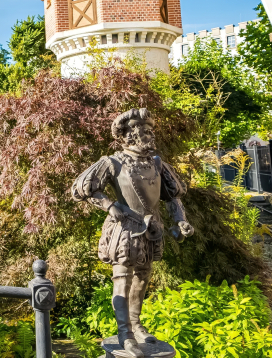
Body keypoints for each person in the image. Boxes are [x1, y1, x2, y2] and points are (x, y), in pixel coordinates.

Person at [72, 108, 194, 358]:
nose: (151, 135)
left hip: (152, 229)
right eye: (146, 131)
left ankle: (136, 325)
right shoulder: (113, 163)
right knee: (122, 280)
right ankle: (124, 333)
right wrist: (109, 205)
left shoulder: (157, 164)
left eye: (151, 130)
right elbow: (82, 188)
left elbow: (172, 197)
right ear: (130, 135)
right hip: (125, 231)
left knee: (142, 278)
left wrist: (181, 220)